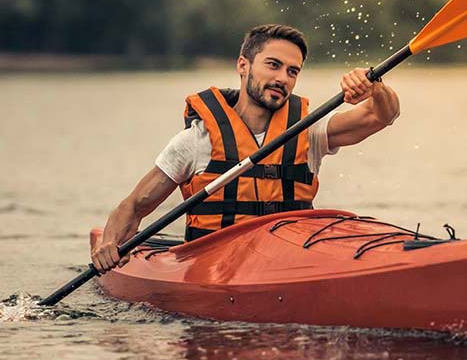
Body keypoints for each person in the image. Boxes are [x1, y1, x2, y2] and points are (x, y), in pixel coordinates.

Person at [91, 24, 400, 273]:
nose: (282, 78)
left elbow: (381, 115)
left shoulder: (309, 130)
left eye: (293, 71)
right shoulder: (196, 142)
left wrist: (375, 87)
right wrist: (109, 245)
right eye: (273, 65)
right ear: (243, 65)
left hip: (290, 262)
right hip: (214, 266)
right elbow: (135, 206)